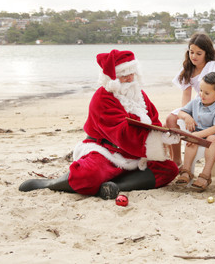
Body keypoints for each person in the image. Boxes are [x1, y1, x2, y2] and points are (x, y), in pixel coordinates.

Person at [19, 49, 180, 199]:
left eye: (132, 73)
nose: (130, 79)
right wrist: (154, 137)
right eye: (124, 75)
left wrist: (164, 135)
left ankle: (114, 186)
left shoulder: (139, 95)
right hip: (107, 151)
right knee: (87, 175)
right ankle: (51, 184)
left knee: (169, 169)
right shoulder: (102, 98)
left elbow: (154, 121)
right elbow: (121, 134)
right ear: (112, 78)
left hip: (136, 152)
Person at [165, 33, 215, 167]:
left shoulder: (212, 65)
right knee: (169, 120)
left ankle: (178, 159)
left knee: (172, 121)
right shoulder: (188, 67)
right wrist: (186, 114)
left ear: (207, 53)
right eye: (191, 52)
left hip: (214, 104)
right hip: (198, 103)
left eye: (199, 53)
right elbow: (186, 94)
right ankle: (175, 159)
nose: (194, 56)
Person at [175, 72, 215, 191]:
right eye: (201, 90)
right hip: (197, 133)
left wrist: (198, 135)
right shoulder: (196, 102)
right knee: (191, 140)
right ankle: (186, 171)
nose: (202, 94)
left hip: (213, 135)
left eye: (206, 93)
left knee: (212, 139)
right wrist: (187, 117)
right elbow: (180, 112)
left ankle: (206, 173)